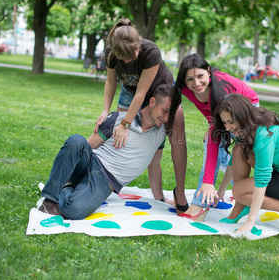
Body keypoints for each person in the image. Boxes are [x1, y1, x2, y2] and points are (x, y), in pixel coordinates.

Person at [39, 84, 173, 220]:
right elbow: (87, 146)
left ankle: (65, 187)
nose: (166, 118)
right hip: (91, 162)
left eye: (170, 113)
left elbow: (155, 165)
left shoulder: (161, 134)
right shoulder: (120, 119)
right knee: (76, 141)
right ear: (152, 102)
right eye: (165, 111)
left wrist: (160, 199)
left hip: (105, 182)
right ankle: (49, 201)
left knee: (72, 210)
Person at [94, 18, 188, 211]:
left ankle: (173, 194)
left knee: (160, 145)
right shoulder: (111, 53)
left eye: (134, 54)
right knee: (117, 137)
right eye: (125, 59)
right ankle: (102, 179)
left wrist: (126, 123)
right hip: (131, 92)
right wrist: (106, 111)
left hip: (160, 92)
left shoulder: (151, 52)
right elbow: (111, 82)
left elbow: (142, 93)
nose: (131, 59)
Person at [167, 53, 259, 221]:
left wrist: (208, 181)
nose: (196, 83)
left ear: (208, 72)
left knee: (239, 151)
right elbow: (204, 107)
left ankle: (202, 202)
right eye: (189, 79)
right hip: (221, 114)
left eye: (200, 76)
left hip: (247, 106)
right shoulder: (188, 90)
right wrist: (211, 122)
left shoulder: (221, 90)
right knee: (222, 153)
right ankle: (230, 197)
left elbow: (215, 139)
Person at [213, 93, 279, 237]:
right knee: (239, 149)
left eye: (230, 122)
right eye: (224, 123)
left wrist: (251, 220)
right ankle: (241, 205)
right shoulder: (250, 124)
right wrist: (221, 190)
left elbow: (262, 177)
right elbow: (235, 161)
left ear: (242, 115)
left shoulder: (264, 134)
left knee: (238, 191)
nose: (228, 127)